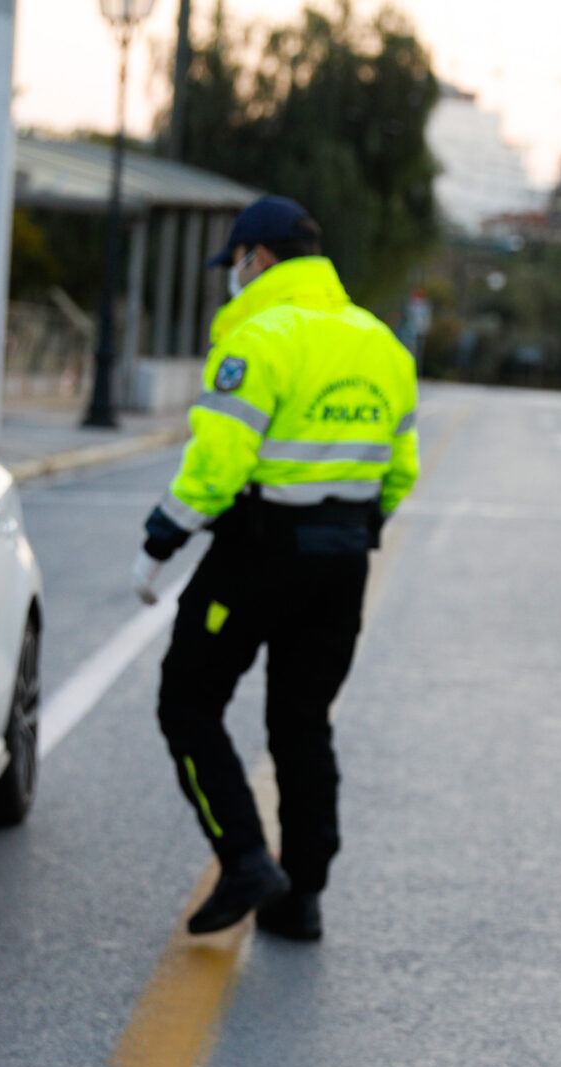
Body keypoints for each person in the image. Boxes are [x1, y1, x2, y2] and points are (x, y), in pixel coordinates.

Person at [132, 195, 420, 940]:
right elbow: (402, 467)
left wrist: (166, 532)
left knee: (187, 702)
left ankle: (247, 860)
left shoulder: (260, 337)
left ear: (256, 259)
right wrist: (357, 525)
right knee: (302, 723)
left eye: (233, 263)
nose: (232, 277)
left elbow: (217, 463)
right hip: (343, 562)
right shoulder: (382, 345)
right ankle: (303, 900)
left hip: (258, 555)